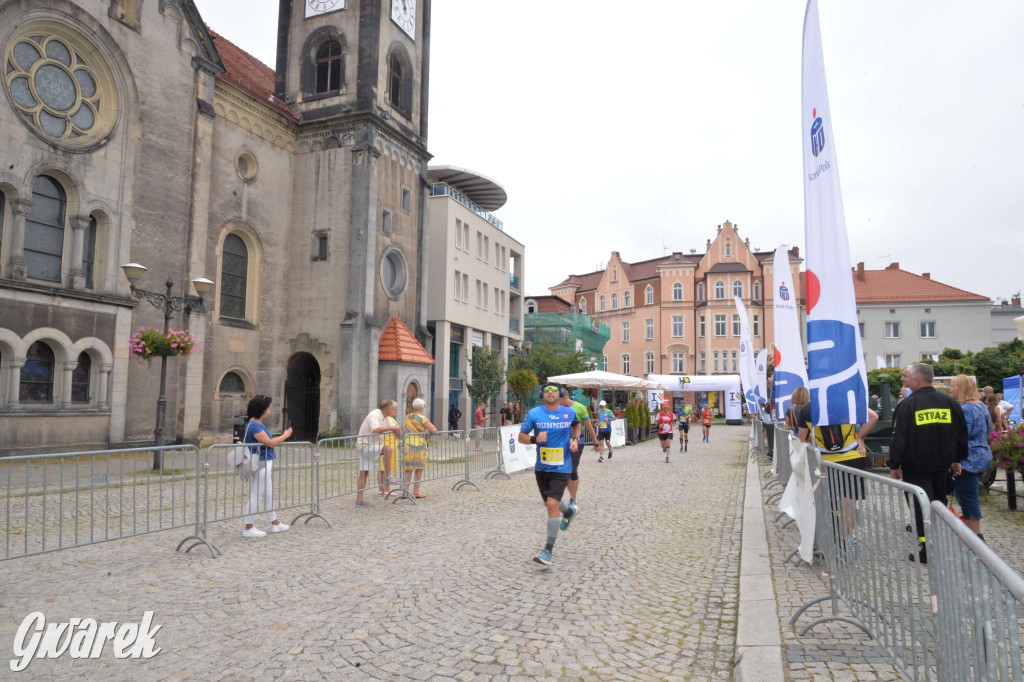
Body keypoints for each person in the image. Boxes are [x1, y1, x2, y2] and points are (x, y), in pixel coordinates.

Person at [887, 363, 968, 564]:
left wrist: (894, 464)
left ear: (917, 380)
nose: (903, 380)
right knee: (939, 504)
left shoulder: (907, 406)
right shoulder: (950, 402)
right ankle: (938, 544)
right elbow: (961, 435)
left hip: (916, 467)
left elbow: (899, 438)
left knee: (920, 507)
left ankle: (927, 550)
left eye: (906, 377)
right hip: (942, 467)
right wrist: (957, 459)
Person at [797, 396, 879, 545]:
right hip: (852, 458)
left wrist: (817, 436)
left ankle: (828, 542)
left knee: (826, 504)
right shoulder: (845, 403)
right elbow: (873, 416)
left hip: (825, 462)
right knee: (848, 506)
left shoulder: (807, 409)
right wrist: (859, 437)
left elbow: (803, 438)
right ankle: (844, 543)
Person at [518, 381, 580, 566]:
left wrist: (575, 439)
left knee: (551, 504)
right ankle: (569, 512)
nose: (551, 393)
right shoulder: (534, 413)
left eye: (554, 390)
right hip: (542, 467)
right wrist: (535, 439)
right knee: (550, 502)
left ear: (560, 393)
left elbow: (576, 426)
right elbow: (521, 437)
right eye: (547, 390)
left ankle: (547, 551)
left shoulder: (568, 412)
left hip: (562, 467)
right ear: (542, 394)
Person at [242, 394, 293, 537]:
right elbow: (270, 442)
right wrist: (285, 435)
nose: (269, 411)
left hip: (265, 462)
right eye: (268, 408)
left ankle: (275, 522)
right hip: (261, 463)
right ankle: (248, 526)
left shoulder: (256, 424)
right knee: (256, 495)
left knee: (267, 494)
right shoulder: (254, 426)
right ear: (262, 409)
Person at [949, 375, 993, 541]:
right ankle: (973, 533)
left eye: (953, 386)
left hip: (969, 457)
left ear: (960, 389)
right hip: (982, 452)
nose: (950, 390)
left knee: (967, 496)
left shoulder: (966, 409)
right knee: (968, 494)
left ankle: (975, 536)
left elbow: (960, 435)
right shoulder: (980, 405)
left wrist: (954, 457)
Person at [355, 400, 403, 507]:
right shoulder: (375, 414)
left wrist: (397, 430)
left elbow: (397, 430)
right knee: (388, 449)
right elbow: (375, 429)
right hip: (365, 445)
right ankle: (388, 475)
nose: (395, 410)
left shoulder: (387, 418)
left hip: (370, 446)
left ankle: (359, 500)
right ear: (387, 409)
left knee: (364, 473)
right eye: (393, 408)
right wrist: (393, 428)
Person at [560, 388, 598, 517]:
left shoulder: (580, 407)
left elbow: (588, 426)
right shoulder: (556, 409)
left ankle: (573, 497)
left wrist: (596, 443)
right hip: (561, 443)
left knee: (572, 470)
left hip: (577, 442)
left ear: (564, 398)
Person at [403, 397, 437, 499]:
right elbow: (433, 429)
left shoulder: (407, 417)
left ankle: (405, 491)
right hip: (419, 444)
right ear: (422, 407)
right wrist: (426, 432)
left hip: (408, 443)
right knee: (418, 468)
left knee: (408, 469)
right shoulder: (422, 418)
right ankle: (416, 491)